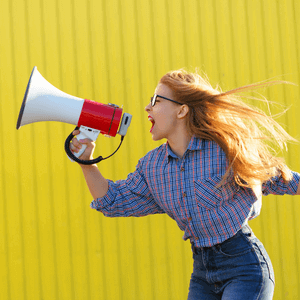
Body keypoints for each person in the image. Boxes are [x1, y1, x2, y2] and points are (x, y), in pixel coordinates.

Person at [70, 69, 300, 300]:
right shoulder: (152, 167)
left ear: (182, 110)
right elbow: (112, 202)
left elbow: (286, 180)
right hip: (202, 273)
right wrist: (86, 163)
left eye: (156, 101)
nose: (147, 108)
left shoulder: (224, 151)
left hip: (245, 268)